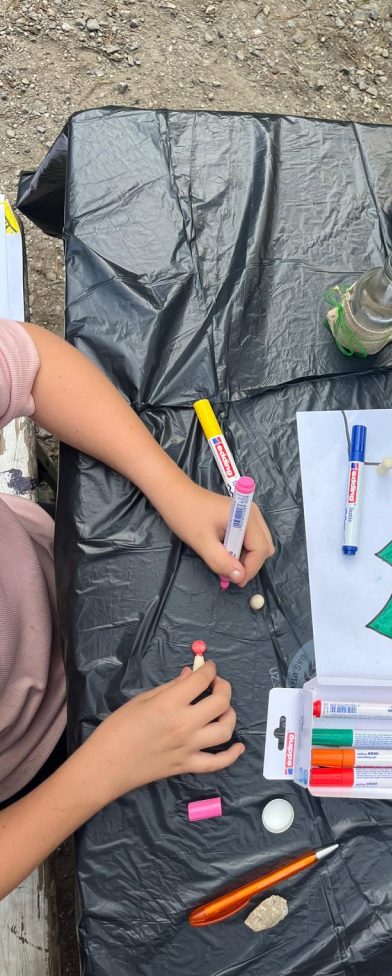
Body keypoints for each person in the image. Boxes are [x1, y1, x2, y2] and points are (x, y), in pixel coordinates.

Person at [0, 318, 274, 899]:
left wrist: (174, 490)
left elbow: (33, 362)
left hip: (56, 567)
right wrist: (105, 769)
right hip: (37, 754)